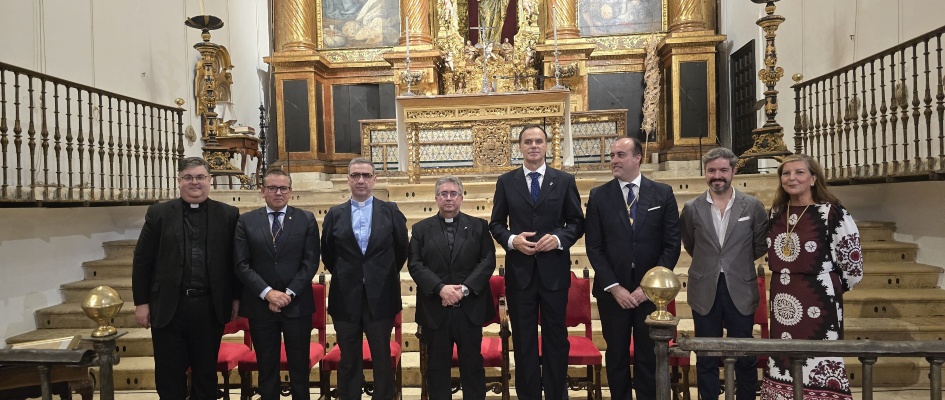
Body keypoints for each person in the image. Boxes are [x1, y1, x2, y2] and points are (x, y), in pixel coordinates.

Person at [132, 157, 240, 400]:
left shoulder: (228, 215)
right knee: (169, 375)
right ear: (179, 181)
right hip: (169, 306)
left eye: (200, 177)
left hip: (208, 307)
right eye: (188, 177)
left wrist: (235, 297)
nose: (195, 182)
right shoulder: (158, 214)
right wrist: (141, 302)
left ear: (210, 181)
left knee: (206, 374)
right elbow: (142, 261)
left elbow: (235, 262)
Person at [489, 125, 585, 400]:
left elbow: (577, 223)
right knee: (524, 341)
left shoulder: (564, 180)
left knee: (556, 339)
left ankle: (557, 395)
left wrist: (557, 239)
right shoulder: (506, 182)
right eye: (528, 141)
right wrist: (511, 240)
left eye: (538, 141)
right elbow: (496, 224)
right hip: (520, 275)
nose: (533, 146)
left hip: (554, 272)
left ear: (546, 146)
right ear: (519, 147)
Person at [759, 154, 863, 400]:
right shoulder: (776, 211)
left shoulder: (832, 212)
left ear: (814, 178)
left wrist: (830, 287)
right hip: (783, 297)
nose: (791, 178)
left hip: (819, 298)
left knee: (817, 355)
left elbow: (852, 262)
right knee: (785, 356)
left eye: (799, 172)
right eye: (786, 173)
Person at [585, 136, 680, 400]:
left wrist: (646, 288)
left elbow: (671, 245)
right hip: (613, 294)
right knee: (615, 356)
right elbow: (594, 247)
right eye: (612, 155)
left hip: (651, 296)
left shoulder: (662, 193)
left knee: (648, 357)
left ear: (638, 158)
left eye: (620, 155)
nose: (614, 160)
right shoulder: (599, 196)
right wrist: (615, 287)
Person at [680, 147, 767, 400]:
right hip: (704, 288)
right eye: (711, 171)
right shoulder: (692, 207)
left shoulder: (752, 206)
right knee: (706, 355)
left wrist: (734, 262)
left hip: (740, 286)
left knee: (744, 353)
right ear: (705, 173)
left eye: (723, 170)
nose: (717, 176)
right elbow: (690, 243)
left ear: (734, 171)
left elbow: (760, 244)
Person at [321, 157, 409, 400]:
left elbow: (401, 249)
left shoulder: (390, 211)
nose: (361, 180)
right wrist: (351, 275)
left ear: (374, 179)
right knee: (348, 358)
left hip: (381, 296)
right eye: (356, 175)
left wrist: (377, 274)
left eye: (366, 175)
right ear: (348, 179)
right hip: (345, 296)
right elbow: (328, 253)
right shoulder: (335, 214)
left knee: (381, 357)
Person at [234, 169, 320, 400]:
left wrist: (288, 294)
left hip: (297, 305)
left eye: (283, 188)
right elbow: (242, 264)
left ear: (291, 192)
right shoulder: (246, 221)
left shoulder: (306, 219)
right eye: (272, 188)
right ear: (262, 191)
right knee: (266, 368)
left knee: (299, 368)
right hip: (261, 306)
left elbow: (310, 262)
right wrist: (268, 293)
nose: (278, 192)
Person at [408, 175, 497, 400]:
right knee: (437, 369)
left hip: (469, 310)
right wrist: (440, 289)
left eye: (453, 194)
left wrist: (463, 290)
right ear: (436, 198)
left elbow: (488, 261)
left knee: (473, 366)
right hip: (435, 310)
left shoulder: (478, 226)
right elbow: (415, 264)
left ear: (461, 197)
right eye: (444, 194)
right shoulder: (420, 229)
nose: (449, 198)